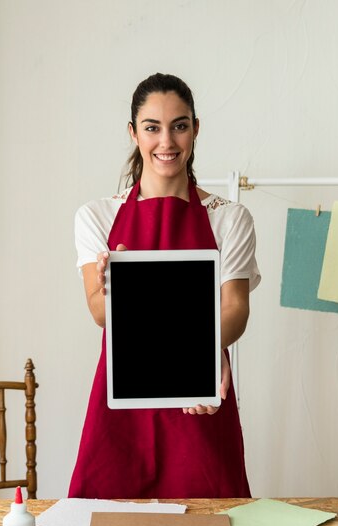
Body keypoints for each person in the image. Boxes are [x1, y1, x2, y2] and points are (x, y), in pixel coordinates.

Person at [69, 73, 261, 499]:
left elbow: (235, 310)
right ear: (133, 132)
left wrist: (201, 361)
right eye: (152, 127)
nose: (166, 141)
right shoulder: (96, 217)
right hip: (121, 404)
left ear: (195, 128)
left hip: (198, 397)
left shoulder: (229, 219)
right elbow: (102, 314)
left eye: (179, 125)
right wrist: (112, 288)